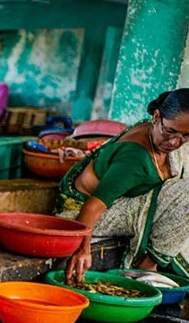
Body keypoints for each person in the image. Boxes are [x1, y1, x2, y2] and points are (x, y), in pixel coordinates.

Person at [57, 90, 189, 283]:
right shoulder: (136, 160)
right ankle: (148, 264)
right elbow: (92, 207)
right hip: (81, 213)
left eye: (186, 135)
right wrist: (83, 250)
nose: (175, 142)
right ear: (157, 116)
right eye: (170, 132)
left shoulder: (153, 131)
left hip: (116, 201)